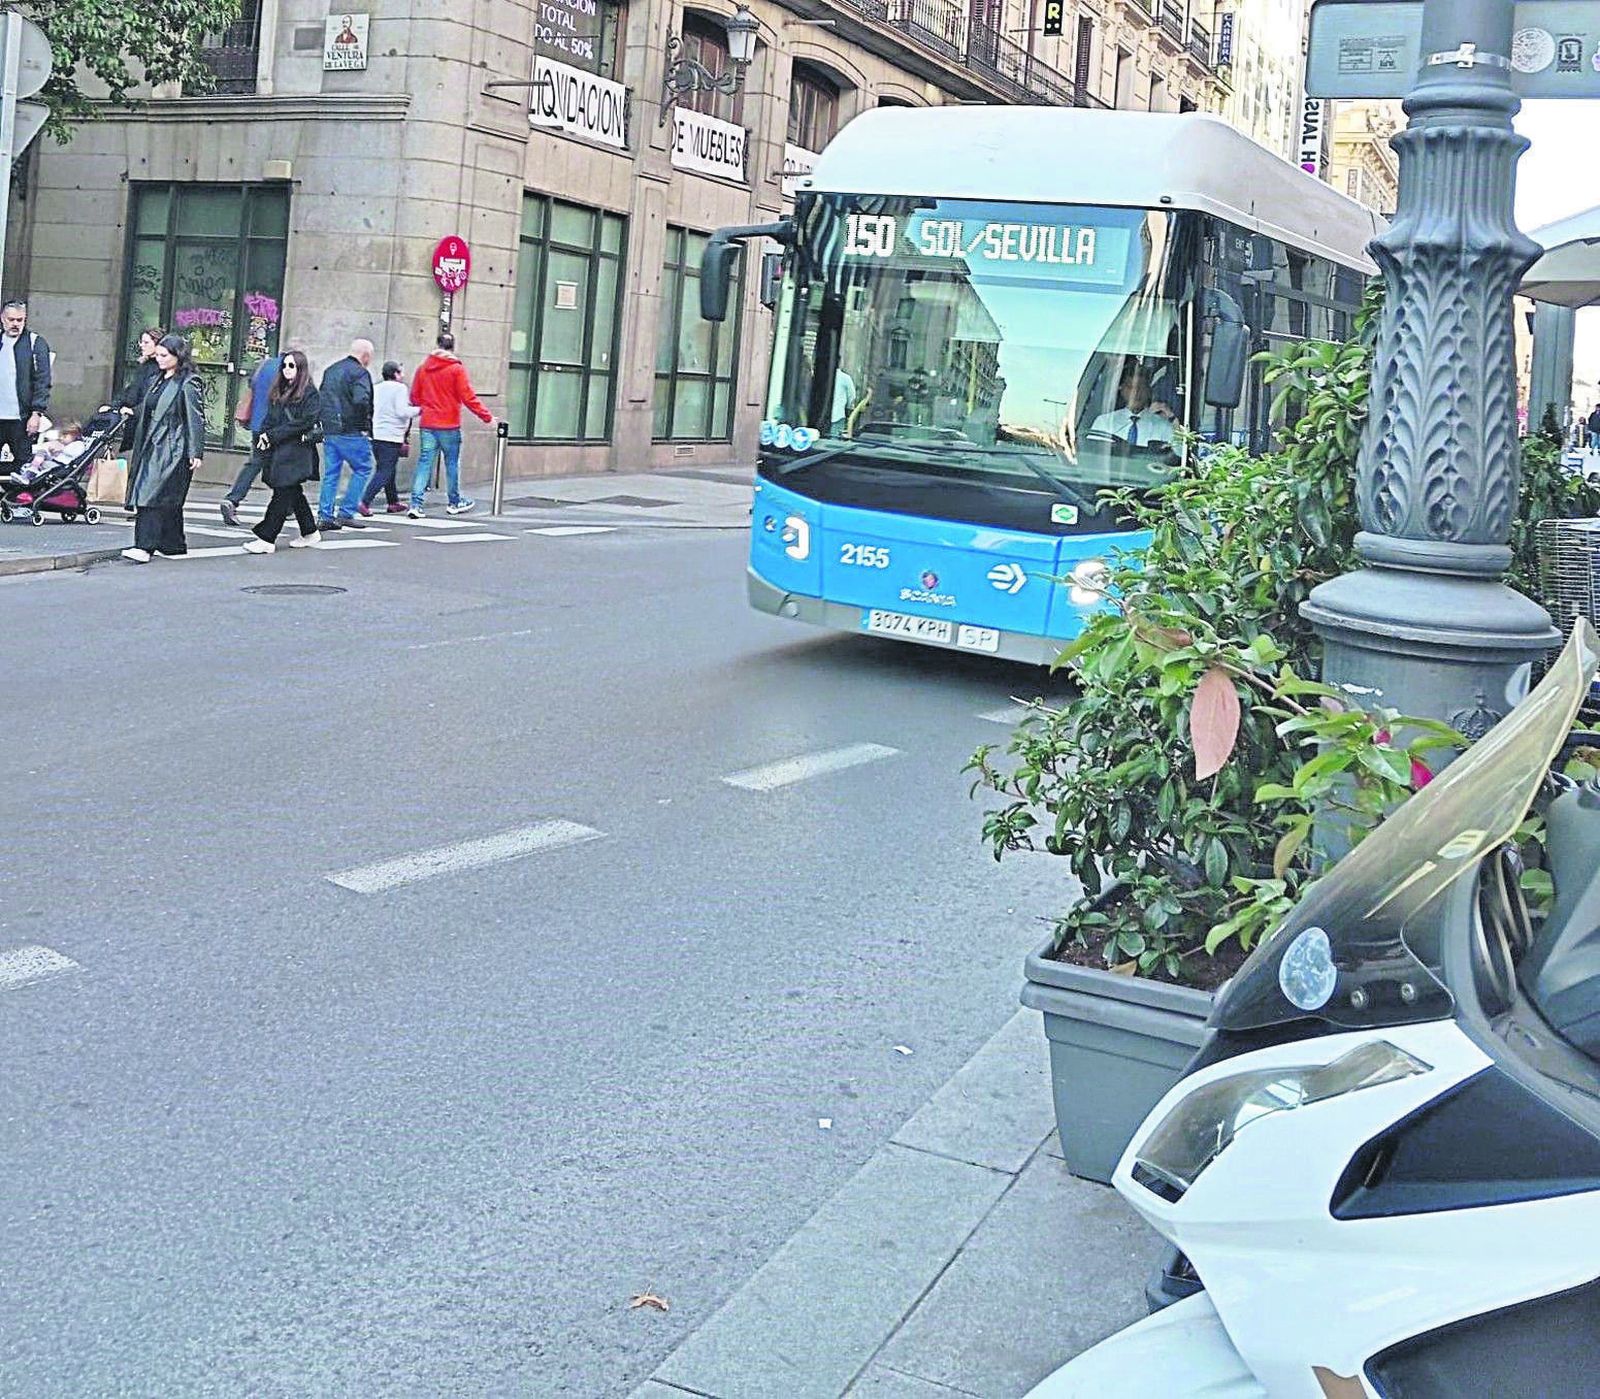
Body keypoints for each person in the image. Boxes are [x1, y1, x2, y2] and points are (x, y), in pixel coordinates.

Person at [122, 334, 204, 563]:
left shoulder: (188, 382)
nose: (158, 359)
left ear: (177, 356)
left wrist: (195, 452)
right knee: (166, 497)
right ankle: (173, 543)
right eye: (157, 355)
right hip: (152, 442)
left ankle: (144, 546)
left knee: (151, 493)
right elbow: (149, 407)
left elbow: (195, 418)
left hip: (172, 445)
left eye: (163, 355)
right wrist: (132, 411)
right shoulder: (158, 379)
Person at [241, 349, 323, 554]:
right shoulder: (279, 390)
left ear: (300, 369)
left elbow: (304, 422)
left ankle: (267, 537)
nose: (287, 370)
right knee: (292, 491)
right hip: (280, 449)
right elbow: (271, 417)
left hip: (297, 451)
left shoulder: (309, 393)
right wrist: (264, 435)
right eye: (285, 365)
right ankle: (310, 531)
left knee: (283, 492)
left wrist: (273, 435)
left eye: (292, 366)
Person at [408, 330, 492, 518]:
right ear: (452, 347)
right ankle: (454, 502)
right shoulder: (456, 369)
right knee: (452, 464)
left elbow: (414, 397)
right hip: (449, 424)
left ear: (437, 345)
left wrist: (429, 403)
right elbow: (468, 397)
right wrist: (487, 417)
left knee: (424, 463)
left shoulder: (423, 368)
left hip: (428, 424)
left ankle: (415, 504)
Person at [221, 347, 291, 526]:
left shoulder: (265, 365)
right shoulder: (288, 371)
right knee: (282, 465)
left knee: (256, 462)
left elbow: (252, 385)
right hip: (277, 427)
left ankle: (233, 499)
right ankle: (289, 502)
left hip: (258, 424)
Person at [318, 338, 376, 530]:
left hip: (330, 430)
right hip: (351, 431)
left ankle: (325, 515)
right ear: (365, 356)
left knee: (331, 474)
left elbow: (323, 398)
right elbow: (361, 401)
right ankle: (346, 511)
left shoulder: (331, 370)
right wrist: (364, 424)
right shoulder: (360, 373)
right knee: (364, 468)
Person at [359, 360, 419, 516]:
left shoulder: (376, 388)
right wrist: (419, 410)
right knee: (384, 470)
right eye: (400, 371)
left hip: (377, 434)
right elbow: (401, 411)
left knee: (388, 469)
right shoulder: (399, 389)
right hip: (391, 435)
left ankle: (393, 502)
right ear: (395, 374)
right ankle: (365, 501)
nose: (403, 374)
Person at [0, 299, 52, 473]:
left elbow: (42, 381)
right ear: (2, 318)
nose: (15, 324)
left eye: (20, 320)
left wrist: (36, 413)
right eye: (11, 319)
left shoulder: (35, 343)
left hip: (21, 418)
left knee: (24, 466)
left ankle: (20, 499)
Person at [1090, 362, 1178, 447]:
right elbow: (1092, 453)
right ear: (1122, 389)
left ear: (1148, 391)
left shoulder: (1163, 427)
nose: (1135, 393)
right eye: (1130, 387)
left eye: (1141, 387)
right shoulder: (1104, 422)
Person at [107, 327, 164, 451]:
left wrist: (135, 410)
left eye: (146, 342)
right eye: (141, 342)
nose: (141, 345)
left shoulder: (160, 369)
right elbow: (131, 390)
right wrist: (113, 406)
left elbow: (156, 397)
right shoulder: (144, 366)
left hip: (149, 424)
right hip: (136, 422)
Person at [4, 421, 88, 487]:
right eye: (61, 435)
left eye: (65, 436)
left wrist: (61, 448)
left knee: (44, 463)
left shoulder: (78, 444)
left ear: (76, 435)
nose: (61, 438)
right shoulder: (63, 443)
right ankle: (31, 469)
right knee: (41, 452)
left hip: (61, 467)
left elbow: (74, 452)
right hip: (53, 462)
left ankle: (29, 476)